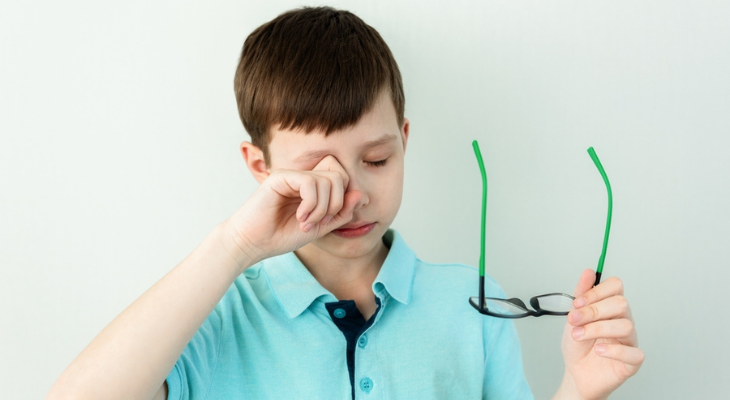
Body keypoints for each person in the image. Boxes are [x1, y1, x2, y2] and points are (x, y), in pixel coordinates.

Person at [47, 6, 643, 400]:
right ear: (261, 168)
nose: (354, 196)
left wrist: (576, 389)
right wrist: (234, 246)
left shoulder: (472, 306)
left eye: (377, 161)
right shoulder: (214, 315)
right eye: (318, 173)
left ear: (405, 142)